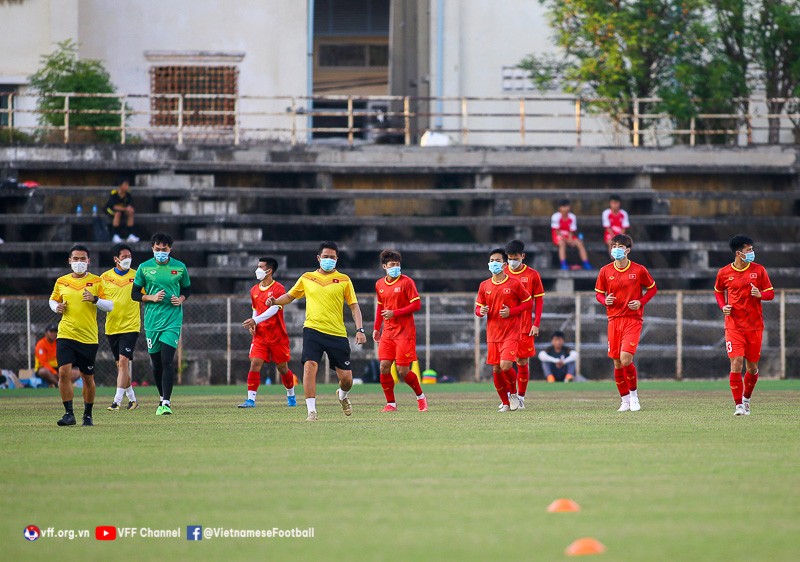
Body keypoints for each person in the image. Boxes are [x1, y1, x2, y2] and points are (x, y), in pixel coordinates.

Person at [267, 241, 366, 421]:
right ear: (319, 258)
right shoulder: (307, 278)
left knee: (347, 379)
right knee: (309, 366)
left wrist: (360, 329)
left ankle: (342, 396)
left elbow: (354, 307)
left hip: (337, 333)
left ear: (337, 259)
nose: (329, 260)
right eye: (326, 257)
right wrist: (275, 301)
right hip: (313, 329)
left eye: (333, 257)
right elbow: (290, 296)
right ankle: (311, 411)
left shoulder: (344, 280)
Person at [48, 244, 114, 426]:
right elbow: (53, 299)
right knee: (63, 373)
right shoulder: (61, 281)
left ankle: (88, 414)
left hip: (88, 337)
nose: (79, 262)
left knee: (87, 377)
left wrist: (95, 299)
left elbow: (110, 305)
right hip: (66, 334)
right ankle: (69, 414)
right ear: (69, 261)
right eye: (75, 259)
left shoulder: (97, 281)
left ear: (88, 261)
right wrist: (56, 307)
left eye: (82, 259)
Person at [594, 234, 657, 412]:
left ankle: (635, 396)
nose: (615, 249)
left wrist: (641, 302)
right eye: (613, 245)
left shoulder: (638, 270)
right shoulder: (605, 271)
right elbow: (599, 293)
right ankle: (625, 400)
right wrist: (604, 300)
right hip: (613, 320)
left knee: (626, 358)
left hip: (632, 320)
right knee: (617, 362)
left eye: (619, 246)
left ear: (627, 250)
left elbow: (652, 289)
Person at [131, 232, 191, 416]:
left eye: (164, 249)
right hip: (152, 321)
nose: (161, 252)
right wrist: (151, 297)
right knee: (156, 363)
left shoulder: (179, 267)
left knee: (167, 361)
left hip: (172, 319)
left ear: (170, 249)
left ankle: (166, 402)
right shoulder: (144, 268)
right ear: (152, 249)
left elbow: (187, 289)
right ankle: (161, 397)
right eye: (157, 249)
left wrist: (181, 299)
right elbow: (134, 294)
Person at [714, 235, 774, 416]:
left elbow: (770, 293)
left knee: (752, 368)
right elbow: (718, 291)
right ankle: (738, 405)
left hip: (754, 326)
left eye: (752, 249)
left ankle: (747, 399)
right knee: (736, 362)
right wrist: (723, 306)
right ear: (739, 253)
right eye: (749, 250)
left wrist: (760, 294)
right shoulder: (724, 272)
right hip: (733, 326)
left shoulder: (759, 270)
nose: (752, 253)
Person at [475, 248, 532, 412]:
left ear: (504, 264)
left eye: (498, 261)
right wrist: (481, 312)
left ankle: (513, 394)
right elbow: (478, 309)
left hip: (511, 333)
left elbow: (528, 303)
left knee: (506, 365)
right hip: (493, 334)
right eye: (492, 261)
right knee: (496, 369)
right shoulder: (484, 285)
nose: (494, 263)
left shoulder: (514, 283)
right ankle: (505, 403)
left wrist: (511, 312)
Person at [238, 256, 298, 408]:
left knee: (282, 368)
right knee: (255, 364)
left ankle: (291, 395)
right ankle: (250, 400)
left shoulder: (278, 289)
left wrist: (255, 321)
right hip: (261, 335)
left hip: (277, 336)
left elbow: (274, 308)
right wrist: (254, 324)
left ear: (269, 270)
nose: (257, 270)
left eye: (260, 267)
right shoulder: (254, 290)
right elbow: (255, 309)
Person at [372, 250, 427, 412]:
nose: (395, 267)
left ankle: (421, 397)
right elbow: (380, 306)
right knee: (384, 366)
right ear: (384, 267)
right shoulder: (379, 284)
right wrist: (376, 328)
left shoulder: (407, 282)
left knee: (403, 370)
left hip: (405, 332)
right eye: (392, 265)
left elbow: (416, 305)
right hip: (388, 332)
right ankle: (391, 403)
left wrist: (394, 313)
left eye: (397, 265)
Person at [503, 239, 544, 409]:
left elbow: (539, 301)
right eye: (510, 258)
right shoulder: (503, 272)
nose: (512, 261)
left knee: (521, 361)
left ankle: (521, 397)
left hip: (525, 325)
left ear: (523, 256)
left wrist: (536, 323)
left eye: (515, 258)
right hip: (505, 326)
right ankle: (508, 396)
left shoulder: (532, 275)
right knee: (504, 363)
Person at [101, 243, 140, 412]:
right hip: (112, 327)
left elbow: (145, 294)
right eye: (124, 256)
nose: (127, 259)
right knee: (120, 367)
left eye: (129, 256)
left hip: (131, 325)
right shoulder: (105, 277)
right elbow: (100, 300)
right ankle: (133, 399)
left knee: (124, 362)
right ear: (116, 259)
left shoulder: (138, 275)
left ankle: (116, 401)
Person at [551, 199, 592, 270]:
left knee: (579, 243)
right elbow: (557, 231)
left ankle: (586, 263)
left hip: (569, 236)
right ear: (560, 208)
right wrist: (567, 240)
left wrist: (570, 239)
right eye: (564, 206)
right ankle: (563, 263)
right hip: (558, 235)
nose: (566, 208)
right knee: (562, 244)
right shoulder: (555, 216)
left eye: (567, 206)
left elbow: (571, 231)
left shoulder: (572, 217)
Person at [105, 178, 139, 244]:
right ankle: (115, 235)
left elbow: (131, 206)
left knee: (131, 212)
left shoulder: (128, 195)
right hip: (110, 210)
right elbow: (114, 207)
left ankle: (130, 235)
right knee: (118, 213)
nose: (127, 187)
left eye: (128, 185)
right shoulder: (114, 194)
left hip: (123, 211)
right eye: (125, 185)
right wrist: (126, 209)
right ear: (120, 186)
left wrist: (130, 209)